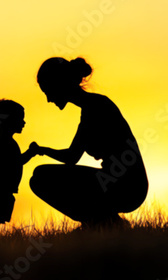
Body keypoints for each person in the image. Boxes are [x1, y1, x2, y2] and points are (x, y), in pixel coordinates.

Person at [30, 57, 148, 229]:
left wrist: (42, 150)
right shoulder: (93, 106)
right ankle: (102, 221)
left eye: (47, 91)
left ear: (59, 85)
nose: (48, 99)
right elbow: (73, 155)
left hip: (127, 187)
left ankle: (100, 222)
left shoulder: (95, 108)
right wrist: (43, 150)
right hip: (123, 183)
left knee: (40, 178)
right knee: (39, 176)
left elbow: (71, 157)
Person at [0, 99, 40, 235]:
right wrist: (31, 153)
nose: (23, 122)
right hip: (0, 188)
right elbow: (14, 162)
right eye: (20, 119)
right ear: (9, 120)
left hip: (2, 188)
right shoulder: (4, 143)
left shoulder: (5, 142)